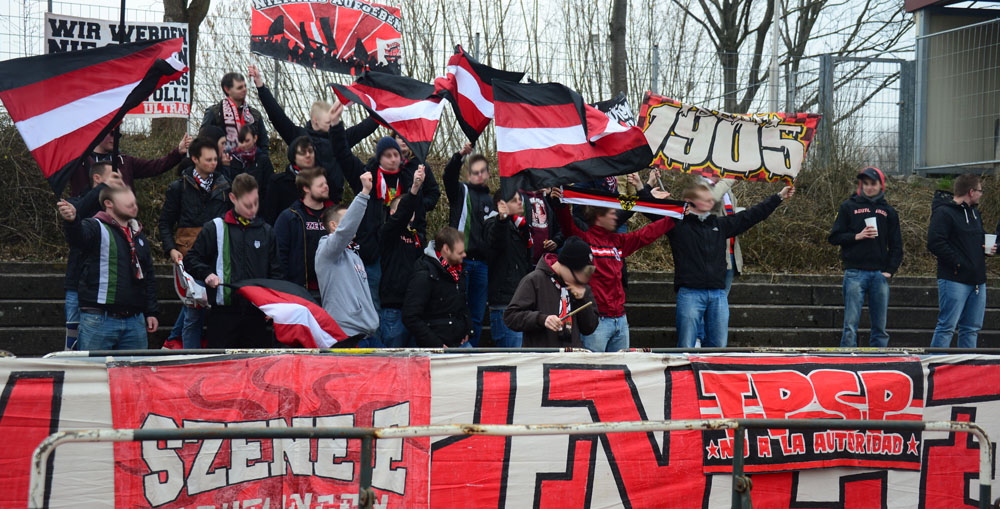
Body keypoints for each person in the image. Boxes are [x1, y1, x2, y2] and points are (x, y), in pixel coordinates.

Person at [669, 182, 795, 348]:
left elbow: (752, 215)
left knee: (718, 346)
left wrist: (779, 197)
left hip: (717, 293)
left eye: (710, 199)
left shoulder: (719, 224)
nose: (710, 202)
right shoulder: (678, 225)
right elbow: (650, 209)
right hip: (690, 292)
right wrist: (644, 187)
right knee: (686, 346)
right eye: (704, 198)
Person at [551, 186, 675, 352]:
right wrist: (559, 204)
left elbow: (646, 234)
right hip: (597, 322)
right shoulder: (583, 240)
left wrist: (674, 218)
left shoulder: (618, 242)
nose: (615, 217)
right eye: (611, 214)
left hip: (621, 320)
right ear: (599, 217)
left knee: (621, 367)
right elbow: (567, 224)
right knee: (594, 367)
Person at [248, 64, 378, 203]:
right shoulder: (299, 136)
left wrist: (383, 104)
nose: (333, 124)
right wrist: (261, 87)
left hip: (333, 203)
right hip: (304, 201)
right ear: (315, 120)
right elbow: (277, 116)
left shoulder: (341, 138)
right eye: (329, 121)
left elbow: (367, 126)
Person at [185, 174, 283, 348]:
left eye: (256, 203)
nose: (253, 209)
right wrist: (207, 273)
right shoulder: (215, 228)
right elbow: (191, 259)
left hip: (256, 313)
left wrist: (273, 304)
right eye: (247, 205)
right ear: (232, 198)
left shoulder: (266, 231)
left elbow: (276, 272)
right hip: (223, 313)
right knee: (221, 363)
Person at [57, 186, 158, 350]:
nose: (133, 205)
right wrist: (72, 221)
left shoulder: (138, 234)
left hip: (135, 321)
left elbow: (148, 275)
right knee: (92, 368)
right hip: (99, 319)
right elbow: (78, 238)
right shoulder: (95, 226)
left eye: (133, 201)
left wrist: (151, 311)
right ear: (108, 203)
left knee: (136, 368)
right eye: (127, 201)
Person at [157, 137, 233, 349]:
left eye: (215, 159)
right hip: (188, 255)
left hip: (217, 254)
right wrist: (171, 249)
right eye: (208, 159)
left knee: (201, 307)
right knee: (193, 312)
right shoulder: (178, 187)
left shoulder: (225, 186)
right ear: (195, 159)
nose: (213, 163)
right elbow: (165, 222)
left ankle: (173, 342)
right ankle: (189, 356)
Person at [827, 167, 903, 348]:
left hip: (879, 274)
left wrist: (890, 270)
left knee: (880, 327)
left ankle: (879, 358)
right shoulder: (848, 206)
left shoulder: (888, 211)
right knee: (850, 325)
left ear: (881, 185)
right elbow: (834, 237)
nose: (869, 187)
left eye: (873, 184)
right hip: (854, 273)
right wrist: (856, 236)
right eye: (866, 184)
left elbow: (897, 245)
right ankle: (847, 358)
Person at [928, 174, 996, 348]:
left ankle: (967, 363)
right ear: (971, 192)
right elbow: (935, 243)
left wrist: (989, 247)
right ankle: (936, 362)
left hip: (978, 281)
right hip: (954, 279)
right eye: (980, 191)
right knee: (946, 327)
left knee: (971, 329)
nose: (981, 194)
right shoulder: (944, 213)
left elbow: (978, 238)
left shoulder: (974, 213)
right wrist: (958, 263)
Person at [315, 171, 381, 346]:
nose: (354, 224)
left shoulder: (354, 254)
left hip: (368, 335)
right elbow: (345, 231)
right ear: (334, 226)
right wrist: (364, 193)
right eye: (347, 219)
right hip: (346, 337)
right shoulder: (326, 251)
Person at [63, 162, 125, 350]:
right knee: (73, 343)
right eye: (113, 177)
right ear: (97, 179)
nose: (118, 182)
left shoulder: (117, 209)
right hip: (77, 283)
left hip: (105, 288)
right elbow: (78, 212)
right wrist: (104, 188)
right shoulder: (75, 202)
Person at [504, 236, 599, 348]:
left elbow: (589, 328)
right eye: (577, 273)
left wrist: (581, 300)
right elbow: (511, 316)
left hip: (571, 355)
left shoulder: (581, 286)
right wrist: (542, 319)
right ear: (565, 265)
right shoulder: (534, 280)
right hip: (541, 355)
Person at [443, 142, 495, 346]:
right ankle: (458, 350)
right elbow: (448, 176)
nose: (479, 175)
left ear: (488, 174)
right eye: (475, 172)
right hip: (461, 261)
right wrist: (459, 156)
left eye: (483, 172)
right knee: (457, 310)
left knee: (477, 315)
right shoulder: (460, 191)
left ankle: (471, 352)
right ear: (468, 174)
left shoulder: (492, 200)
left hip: (482, 264)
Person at [378, 166, 428, 348]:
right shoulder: (388, 232)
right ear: (392, 212)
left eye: (411, 209)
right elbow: (400, 217)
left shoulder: (418, 237)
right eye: (404, 208)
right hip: (393, 309)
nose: (409, 212)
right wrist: (414, 188)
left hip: (415, 310)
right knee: (393, 360)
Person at [402, 226, 474, 348]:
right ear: (446, 249)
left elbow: (461, 304)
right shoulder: (424, 274)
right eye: (460, 252)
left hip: (459, 343)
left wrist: (467, 329)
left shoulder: (458, 271)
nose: (464, 255)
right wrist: (437, 344)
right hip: (436, 349)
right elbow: (410, 316)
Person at [68, 131, 191, 197]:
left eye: (118, 135)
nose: (115, 138)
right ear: (100, 132)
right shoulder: (77, 161)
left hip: (120, 224)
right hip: (87, 223)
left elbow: (156, 166)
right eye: (112, 134)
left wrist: (178, 152)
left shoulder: (124, 161)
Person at [483, 190, 532, 347]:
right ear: (501, 205)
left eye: (520, 199)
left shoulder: (521, 227)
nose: (520, 202)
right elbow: (497, 241)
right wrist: (502, 219)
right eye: (514, 200)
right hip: (505, 305)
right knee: (512, 356)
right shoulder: (493, 224)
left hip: (520, 303)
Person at [274, 168, 330, 295]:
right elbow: (279, 257)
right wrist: (285, 290)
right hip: (300, 291)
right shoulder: (289, 217)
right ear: (306, 188)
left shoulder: (333, 216)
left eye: (326, 183)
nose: (326, 187)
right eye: (320, 185)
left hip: (331, 291)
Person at [202, 71, 269, 157]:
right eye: (240, 87)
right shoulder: (215, 112)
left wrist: (261, 162)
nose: (244, 89)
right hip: (223, 161)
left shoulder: (254, 114)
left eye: (245, 86)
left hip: (251, 163)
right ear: (227, 89)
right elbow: (203, 141)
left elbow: (264, 144)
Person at [263, 136, 320, 224]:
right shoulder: (278, 182)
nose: (308, 155)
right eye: (302, 152)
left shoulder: (323, 180)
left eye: (310, 151)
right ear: (294, 156)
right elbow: (269, 217)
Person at [520, 188, 563, 264]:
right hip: (524, 260)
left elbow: (560, 227)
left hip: (545, 261)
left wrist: (555, 241)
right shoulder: (518, 197)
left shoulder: (548, 199)